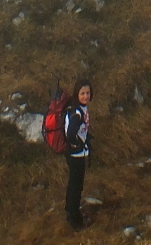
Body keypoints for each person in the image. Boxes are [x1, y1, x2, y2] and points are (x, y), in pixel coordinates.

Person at [62, 79, 92, 230]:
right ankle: (74, 220)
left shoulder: (79, 108)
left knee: (74, 184)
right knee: (76, 186)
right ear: (77, 94)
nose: (85, 96)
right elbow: (70, 134)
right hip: (76, 155)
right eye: (82, 93)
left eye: (87, 93)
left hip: (76, 153)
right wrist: (79, 144)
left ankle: (71, 212)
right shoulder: (77, 113)